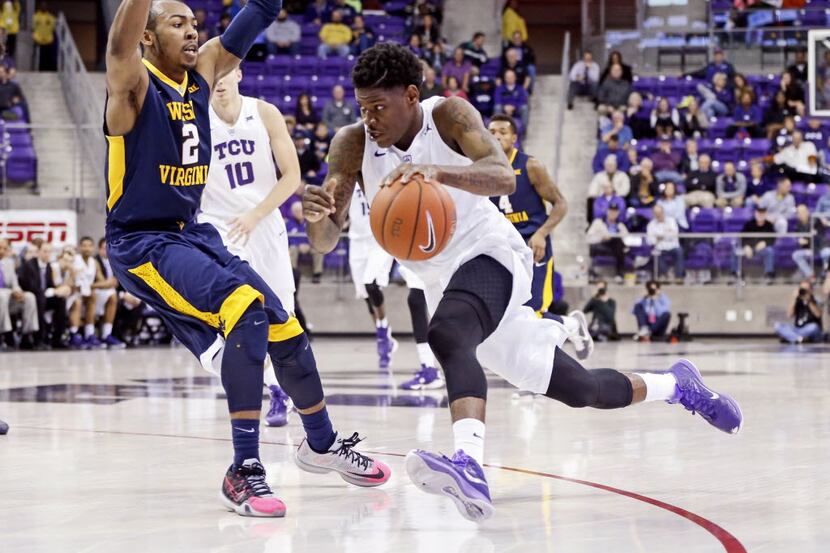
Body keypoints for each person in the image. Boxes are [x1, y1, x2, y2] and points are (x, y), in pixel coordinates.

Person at [302, 43, 742, 522]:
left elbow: (502, 177)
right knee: (582, 390)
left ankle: (468, 466)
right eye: (363, 107)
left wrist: (437, 171)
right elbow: (325, 240)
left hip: (492, 255)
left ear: (410, 95)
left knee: (446, 333)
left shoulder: (448, 115)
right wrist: (318, 218)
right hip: (444, 283)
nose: (369, 118)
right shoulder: (351, 143)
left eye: (378, 107)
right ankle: (676, 385)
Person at [103, 0, 388, 519]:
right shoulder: (133, 83)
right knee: (244, 309)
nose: (192, 32)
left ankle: (320, 442)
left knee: (284, 323)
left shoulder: (204, 71)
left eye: (194, 23)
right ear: (147, 38)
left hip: (193, 233)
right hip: (141, 241)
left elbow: (262, 10)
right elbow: (117, 44)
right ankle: (244, 468)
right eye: (176, 24)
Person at [198, 68, 301, 428]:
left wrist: (256, 213)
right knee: (244, 316)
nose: (220, 80)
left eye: (225, 72)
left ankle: (279, 387)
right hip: (220, 229)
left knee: (283, 314)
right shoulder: (196, 120)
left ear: (239, 73)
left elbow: (292, 175)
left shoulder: (264, 112)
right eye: (212, 75)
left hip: (264, 222)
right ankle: (264, 390)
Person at [488, 114, 585, 333]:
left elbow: (560, 204)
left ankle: (571, 328)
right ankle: (571, 325)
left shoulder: (531, 166)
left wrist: (541, 233)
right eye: (491, 132)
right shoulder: (482, 168)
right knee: (505, 311)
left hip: (533, 244)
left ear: (514, 137)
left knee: (534, 312)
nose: (496, 136)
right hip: (503, 246)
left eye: (502, 132)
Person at [347, 186, 397, 369]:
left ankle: (383, 330)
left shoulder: (380, 167)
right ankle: (384, 334)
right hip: (356, 240)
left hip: (379, 237)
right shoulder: (349, 175)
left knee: (371, 283)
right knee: (366, 295)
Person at [16, 241, 69, 349]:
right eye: (45, 251)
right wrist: (50, 291)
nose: (47, 254)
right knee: (40, 299)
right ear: (38, 252)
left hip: (43, 296)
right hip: (31, 297)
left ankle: (57, 339)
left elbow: (50, 285)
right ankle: (38, 339)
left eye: (50, 252)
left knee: (61, 301)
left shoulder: (48, 266)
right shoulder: (30, 265)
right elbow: (31, 286)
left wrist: (57, 290)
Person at [0, 238, 38, 349]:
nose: (1, 251)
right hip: (3, 297)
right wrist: (10, 292)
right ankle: (5, 334)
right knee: (2, 296)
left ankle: (27, 334)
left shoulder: (9, 262)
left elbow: (14, 283)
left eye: (4, 248)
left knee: (30, 297)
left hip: (7, 299)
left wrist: (17, 291)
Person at [90, 238, 126, 349]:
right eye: (103, 248)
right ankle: (90, 334)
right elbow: (98, 282)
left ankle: (108, 334)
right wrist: (107, 284)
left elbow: (117, 282)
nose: (106, 250)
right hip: (95, 292)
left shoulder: (116, 261)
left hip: (112, 291)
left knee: (130, 302)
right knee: (109, 295)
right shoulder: (94, 261)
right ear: (99, 249)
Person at [732, 206, 776, 283]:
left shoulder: (769, 225)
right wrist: (746, 246)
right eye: (759, 213)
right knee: (735, 251)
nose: (760, 215)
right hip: (748, 249)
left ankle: (769, 274)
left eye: (762, 213)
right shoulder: (749, 224)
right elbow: (742, 237)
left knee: (769, 251)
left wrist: (765, 243)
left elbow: (773, 238)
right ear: (755, 214)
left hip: (761, 250)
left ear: (765, 214)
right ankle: (737, 275)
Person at [586, 204, 628, 282]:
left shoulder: (620, 226)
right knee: (619, 246)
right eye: (611, 211)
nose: (613, 214)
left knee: (618, 242)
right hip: (600, 245)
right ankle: (591, 273)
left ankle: (619, 274)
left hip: (615, 248)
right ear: (607, 211)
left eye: (615, 212)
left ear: (618, 213)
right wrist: (601, 238)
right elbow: (589, 237)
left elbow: (627, 239)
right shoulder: (598, 222)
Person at [647, 204, 685, 282]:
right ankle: (666, 275)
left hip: (673, 246)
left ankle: (679, 277)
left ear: (663, 212)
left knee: (679, 251)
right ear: (653, 214)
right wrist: (666, 233)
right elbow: (650, 240)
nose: (658, 215)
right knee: (655, 253)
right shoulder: (651, 225)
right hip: (660, 247)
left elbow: (674, 235)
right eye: (656, 213)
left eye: (660, 212)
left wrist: (659, 237)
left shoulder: (671, 221)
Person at [33, 2, 58, 71]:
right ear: (40, 7)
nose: (43, 7)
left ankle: (48, 70)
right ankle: (40, 70)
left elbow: (53, 27)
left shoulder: (50, 17)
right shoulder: (35, 17)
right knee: (40, 58)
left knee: (48, 57)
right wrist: (36, 38)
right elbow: (33, 28)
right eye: (42, 6)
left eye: (45, 6)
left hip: (48, 40)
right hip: (39, 40)